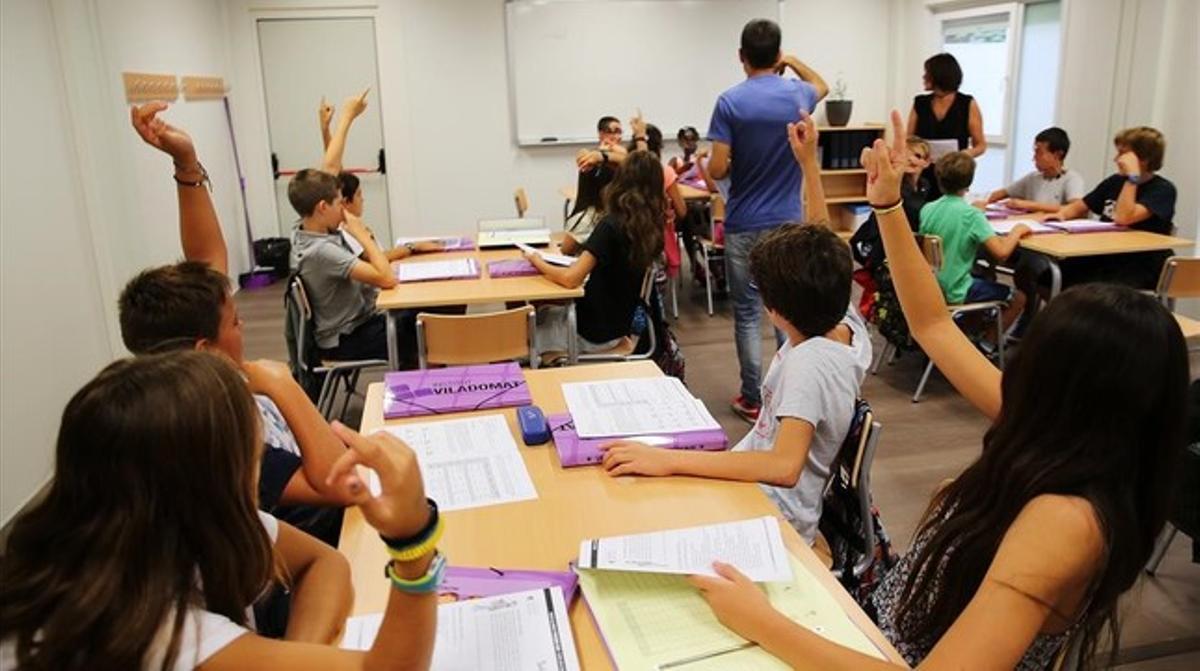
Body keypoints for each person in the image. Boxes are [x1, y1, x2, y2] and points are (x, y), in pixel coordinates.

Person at [685, 110, 1187, 670]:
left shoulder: (1065, 522)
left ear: (1063, 385)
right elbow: (934, 325)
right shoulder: (1060, 434)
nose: (1013, 364)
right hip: (874, 623)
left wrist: (760, 621)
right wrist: (889, 207)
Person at [0, 351, 442, 670]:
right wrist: (412, 541)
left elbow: (322, 562)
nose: (259, 480)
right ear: (209, 488)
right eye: (254, 464)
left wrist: (294, 655)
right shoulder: (153, 636)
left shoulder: (134, 528)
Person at [123, 103, 352, 548]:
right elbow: (339, 486)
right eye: (235, 319)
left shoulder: (190, 371)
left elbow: (207, 260)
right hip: (317, 541)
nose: (243, 320)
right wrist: (283, 385)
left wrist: (185, 163)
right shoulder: (214, 429)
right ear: (206, 348)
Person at [706, 18, 829, 423]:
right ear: (777, 56)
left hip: (743, 222)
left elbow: (719, 168)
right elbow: (823, 85)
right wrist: (791, 61)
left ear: (741, 58)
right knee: (787, 311)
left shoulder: (729, 102)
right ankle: (788, 396)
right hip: (788, 222)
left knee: (746, 313)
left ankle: (752, 397)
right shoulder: (798, 94)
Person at [526, 150, 664, 355]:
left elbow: (571, 279)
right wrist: (604, 156)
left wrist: (538, 262)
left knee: (521, 333)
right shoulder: (653, 226)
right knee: (545, 314)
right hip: (618, 326)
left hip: (591, 332)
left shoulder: (610, 225)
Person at [1046, 126, 1177, 289]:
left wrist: (1132, 178)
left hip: (1139, 264)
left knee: (1091, 290)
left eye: (1123, 154)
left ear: (1143, 159)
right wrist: (1062, 215)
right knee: (1047, 277)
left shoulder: (1163, 190)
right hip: (1106, 255)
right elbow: (1081, 205)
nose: (1117, 159)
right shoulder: (1114, 181)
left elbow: (1123, 217)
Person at [317, 95, 442, 263]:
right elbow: (331, 170)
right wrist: (412, 248)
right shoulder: (345, 228)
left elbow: (335, 172)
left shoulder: (343, 218)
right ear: (344, 202)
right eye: (359, 195)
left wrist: (325, 130)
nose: (363, 199)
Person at [919, 151, 1030, 332]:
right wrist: (1017, 231)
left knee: (985, 277)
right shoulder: (972, 215)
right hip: (957, 291)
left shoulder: (927, 209)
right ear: (969, 183)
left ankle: (968, 334)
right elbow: (1001, 253)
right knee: (1018, 298)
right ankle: (988, 345)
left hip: (933, 288)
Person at [907, 53, 985, 200]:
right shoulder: (920, 102)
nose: (924, 77)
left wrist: (962, 155)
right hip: (923, 172)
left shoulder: (967, 103)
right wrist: (917, 155)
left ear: (939, 75)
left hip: (953, 174)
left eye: (927, 73)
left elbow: (980, 145)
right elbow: (909, 140)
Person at [628, 116, 686, 278]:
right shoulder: (665, 172)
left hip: (630, 242)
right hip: (658, 243)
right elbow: (682, 210)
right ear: (659, 146)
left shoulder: (626, 170)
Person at [977, 127, 1085, 213]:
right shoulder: (1032, 178)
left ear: (1057, 154)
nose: (1034, 158)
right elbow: (1002, 193)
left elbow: (1076, 208)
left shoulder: (1072, 179)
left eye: (1039, 152)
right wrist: (980, 202)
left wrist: (1029, 205)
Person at [564, 115, 629, 248]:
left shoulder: (622, 157)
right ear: (602, 134)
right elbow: (585, 156)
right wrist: (601, 155)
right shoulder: (592, 157)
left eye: (620, 132)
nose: (618, 136)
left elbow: (631, 162)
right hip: (593, 215)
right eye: (614, 131)